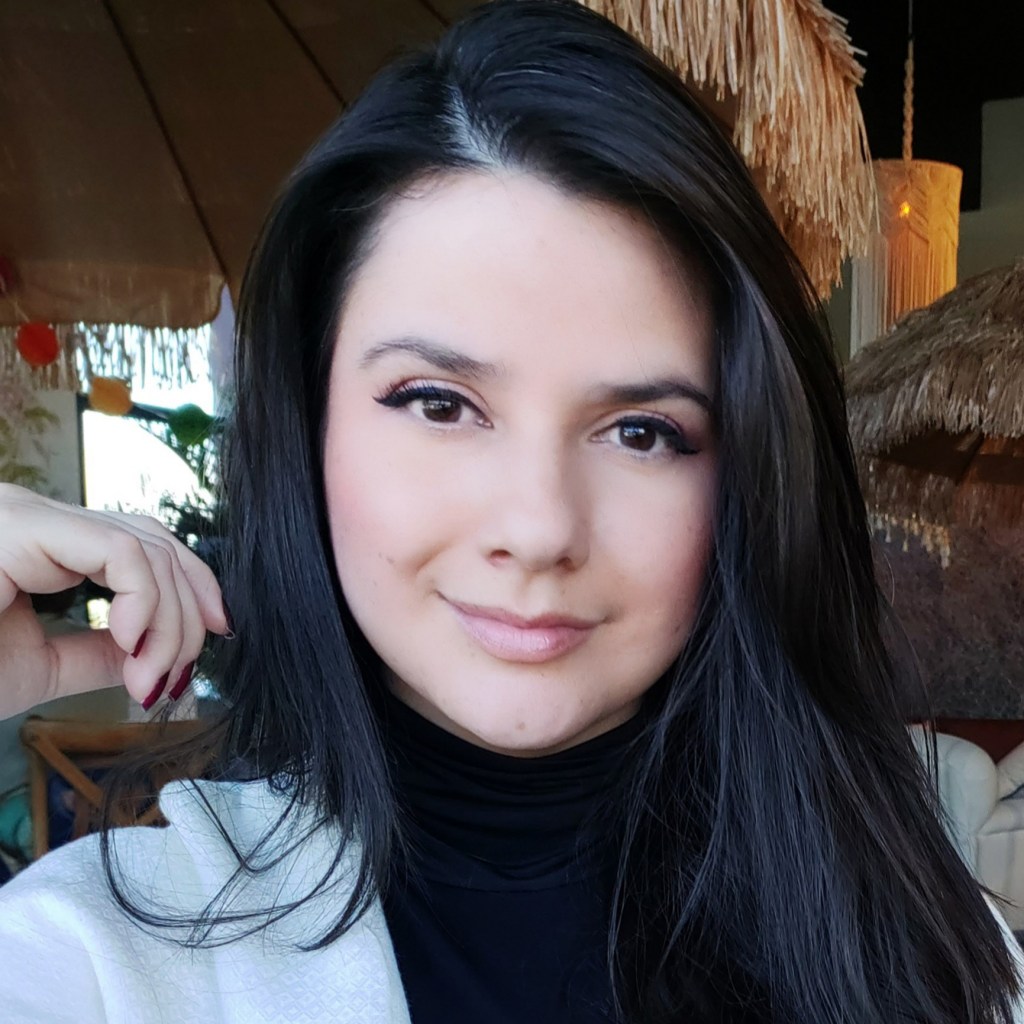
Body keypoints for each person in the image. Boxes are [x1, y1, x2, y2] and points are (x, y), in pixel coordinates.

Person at [0, 2, 1020, 1021]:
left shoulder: (933, 956)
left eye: (641, 431)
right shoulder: (104, 961)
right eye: (440, 405)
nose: (538, 530)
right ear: (308, 429)